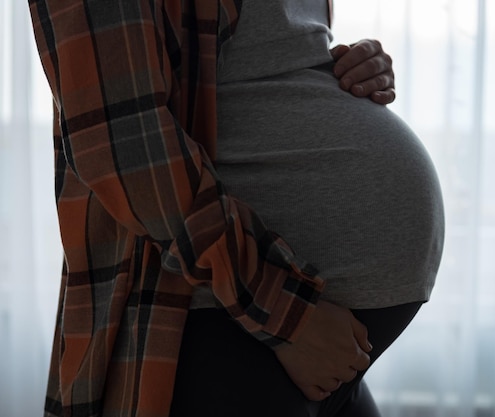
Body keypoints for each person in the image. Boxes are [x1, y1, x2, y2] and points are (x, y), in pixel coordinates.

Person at [29, 0, 444, 416]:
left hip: (311, 345)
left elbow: (255, 68)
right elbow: (122, 142)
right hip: (222, 321)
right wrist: (286, 315)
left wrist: (345, 67)